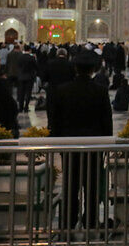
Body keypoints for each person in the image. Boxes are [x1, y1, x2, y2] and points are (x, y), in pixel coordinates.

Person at [50, 51, 112, 229]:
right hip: (94, 147)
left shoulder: (62, 91)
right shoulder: (100, 91)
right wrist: (105, 146)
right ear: (93, 70)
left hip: (68, 147)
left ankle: (68, 221)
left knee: (70, 185)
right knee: (91, 186)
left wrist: (57, 144)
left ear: (75, 68)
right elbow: (106, 121)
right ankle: (91, 221)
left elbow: (55, 121)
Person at [43, 48, 75, 129]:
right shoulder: (70, 64)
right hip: (66, 91)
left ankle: (51, 124)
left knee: (51, 109)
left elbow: (44, 77)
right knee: (65, 109)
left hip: (52, 90)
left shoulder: (50, 63)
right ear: (66, 55)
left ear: (57, 54)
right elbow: (73, 78)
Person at [16, 46, 38, 112]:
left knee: (21, 93)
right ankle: (26, 108)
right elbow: (36, 67)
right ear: (30, 50)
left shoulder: (20, 57)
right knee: (28, 93)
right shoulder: (32, 58)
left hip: (21, 77)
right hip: (29, 77)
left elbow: (18, 66)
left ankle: (20, 108)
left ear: (24, 50)